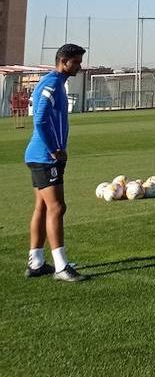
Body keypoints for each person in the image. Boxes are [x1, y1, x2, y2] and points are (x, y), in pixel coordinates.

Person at [24, 43, 87, 282]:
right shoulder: (51, 83)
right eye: (76, 62)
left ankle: (37, 262)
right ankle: (61, 267)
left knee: (42, 207)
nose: (78, 67)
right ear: (63, 61)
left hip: (40, 156)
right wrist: (54, 150)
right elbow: (39, 120)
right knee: (57, 208)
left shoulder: (57, 83)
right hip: (44, 157)